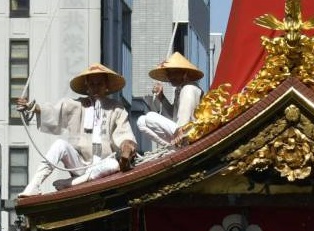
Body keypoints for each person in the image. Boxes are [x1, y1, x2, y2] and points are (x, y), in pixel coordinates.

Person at [19, 63, 136, 195]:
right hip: (80, 163)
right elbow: (53, 112)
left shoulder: (116, 108)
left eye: (99, 84)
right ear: (87, 86)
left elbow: (124, 134)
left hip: (104, 165)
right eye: (92, 84)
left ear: (106, 86)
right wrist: (32, 108)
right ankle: (34, 185)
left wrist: (126, 149)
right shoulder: (77, 105)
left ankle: (71, 183)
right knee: (60, 145)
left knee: (114, 165)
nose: (96, 88)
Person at [136, 51, 203, 149]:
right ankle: (171, 147)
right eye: (169, 74)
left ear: (184, 73)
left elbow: (185, 116)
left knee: (150, 116)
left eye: (173, 74)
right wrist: (161, 97)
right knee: (141, 121)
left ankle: (179, 142)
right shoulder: (179, 90)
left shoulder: (189, 88)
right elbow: (173, 116)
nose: (170, 77)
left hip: (188, 131)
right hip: (178, 130)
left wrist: (181, 130)